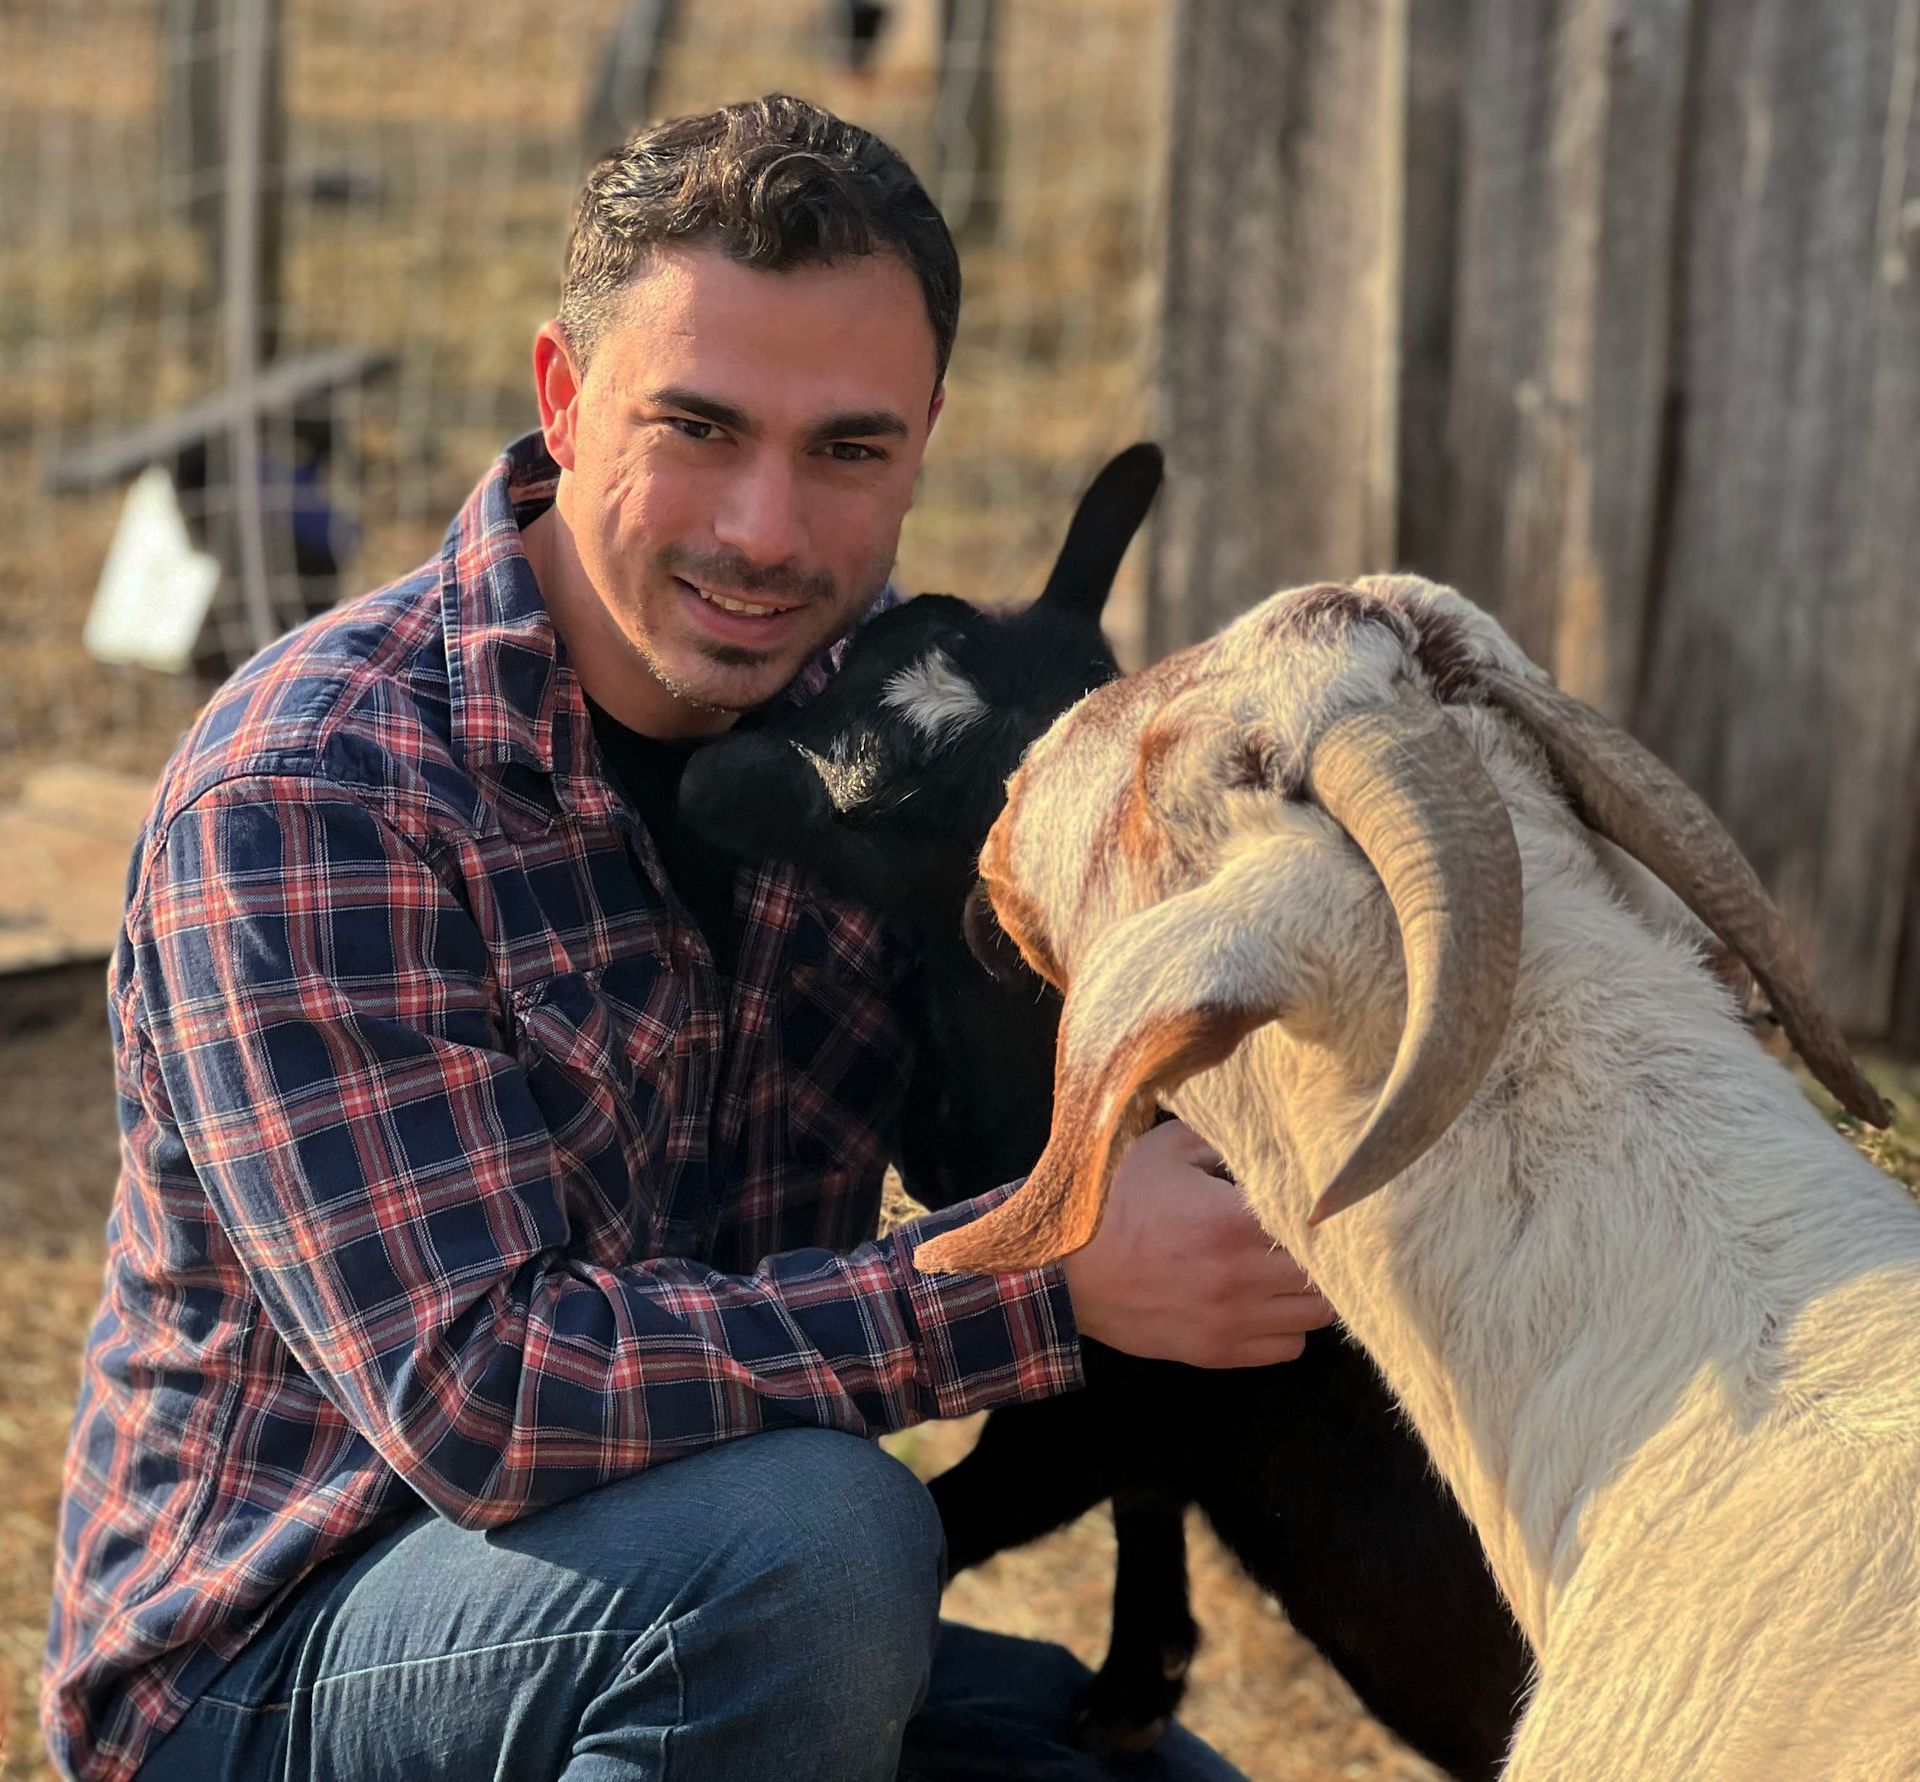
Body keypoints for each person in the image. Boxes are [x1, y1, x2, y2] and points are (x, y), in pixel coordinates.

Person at [42, 95, 1334, 1782]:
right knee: (822, 1548)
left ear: (927, 436)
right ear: (564, 401)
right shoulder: (316, 787)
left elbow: (1034, 1092)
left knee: (1150, 1776)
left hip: (668, 1586)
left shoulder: (883, 737)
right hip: (272, 1654)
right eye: (700, 429)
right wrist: (1048, 1268)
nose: (765, 533)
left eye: (848, 449)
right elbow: (482, 1399)